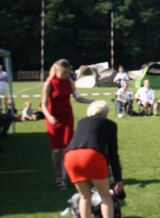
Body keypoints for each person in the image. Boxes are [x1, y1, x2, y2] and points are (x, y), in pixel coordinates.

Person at [64, 100, 123, 218]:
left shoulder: (81, 122)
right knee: (105, 196)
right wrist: (118, 179)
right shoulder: (110, 124)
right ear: (105, 113)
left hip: (70, 156)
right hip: (92, 155)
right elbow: (113, 154)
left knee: (84, 196)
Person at [41, 59, 93, 190]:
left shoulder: (70, 82)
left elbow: (78, 98)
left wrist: (92, 101)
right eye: (63, 73)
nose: (66, 75)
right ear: (57, 71)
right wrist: (49, 116)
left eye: (67, 73)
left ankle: (63, 178)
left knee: (66, 150)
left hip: (67, 119)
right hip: (53, 120)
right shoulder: (49, 83)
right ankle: (58, 174)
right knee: (56, 151)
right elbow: (43, 105)